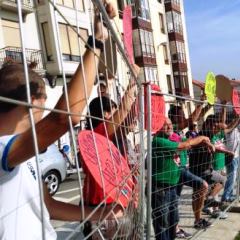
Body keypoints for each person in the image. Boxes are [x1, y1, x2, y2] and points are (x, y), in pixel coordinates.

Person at [0, 3, 121, 239]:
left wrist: (103, 213)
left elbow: (50, 206)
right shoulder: (2, 147)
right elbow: (66, 118)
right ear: (34, 103)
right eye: (44, 105)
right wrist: (96, 41)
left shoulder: (24, 153)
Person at [151, 117, 214, 240]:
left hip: (171, 187)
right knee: (162, 224)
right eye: (165, 125)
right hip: (160, 189)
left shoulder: (171, 139)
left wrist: (204, 141)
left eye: (170, 124)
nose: (169, 127)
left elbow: (187, 141)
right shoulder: (159, 141)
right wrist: (201, 138)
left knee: (173, 221)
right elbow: (184, 145)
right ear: (158, 127)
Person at [168, 104, 212, 234]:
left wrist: (208, 105)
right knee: (200, 186)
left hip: (182, 168)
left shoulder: (179, 130)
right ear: (175, 117)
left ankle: (189, 223)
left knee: (175, 199)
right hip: (176, 169)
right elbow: (191, 119)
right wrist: (200, 103)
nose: (185, 117)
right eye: (182, 115)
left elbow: (195, 118)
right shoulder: (172, 128)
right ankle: (175, 228)